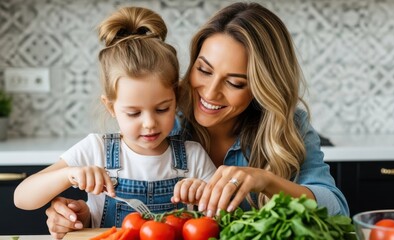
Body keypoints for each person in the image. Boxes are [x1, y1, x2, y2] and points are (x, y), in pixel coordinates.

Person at [45, 2, 349, 238]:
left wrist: (266, 181)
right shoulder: (162, 119)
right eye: (204, 70)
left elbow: (336, 211)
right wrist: (73, 215)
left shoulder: (288, 125)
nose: (211, 92)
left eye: (236, 83)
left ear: (261, 88)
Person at [13, 6, 216, 236]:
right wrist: (68, 175)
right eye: (133, 113)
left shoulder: (193, 156)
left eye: (162, 109)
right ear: (110, 106)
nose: (149, 122)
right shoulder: (95, 149)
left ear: (177, 98)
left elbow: (224, 216)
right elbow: (22, 197)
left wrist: (204, 195)